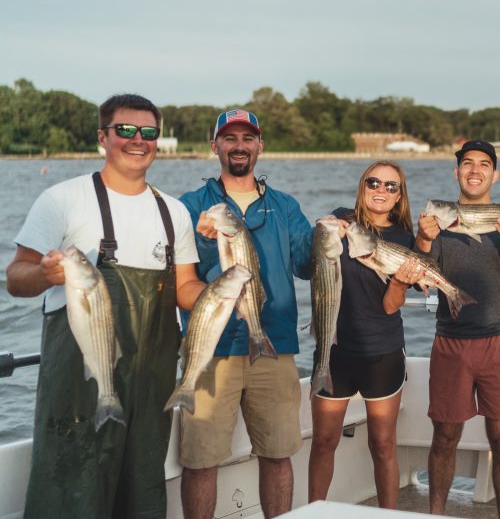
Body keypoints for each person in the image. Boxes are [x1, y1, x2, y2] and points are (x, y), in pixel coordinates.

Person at [6, 93, 204, 518]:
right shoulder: (62, 200)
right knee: (70, 492)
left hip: (151, 388)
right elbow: (15, 278)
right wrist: (45, 274)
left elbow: (184, 288)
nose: (137, 140)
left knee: (142, 493)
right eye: (125, 130)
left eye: (148, 132)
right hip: (77, 389)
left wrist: (220, 296)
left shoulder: (174, 213)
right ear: (103, 136)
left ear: (158, 139)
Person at [177, 109, 313, 519]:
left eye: (248, 138)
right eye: (230, 138)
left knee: (278, 453)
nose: (239, 146)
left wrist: (330, 234)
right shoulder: (191, 205)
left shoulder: (285, 206)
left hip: (273, 345)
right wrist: (203, 244)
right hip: (211, 348)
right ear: (214, 145)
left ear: (260, 146)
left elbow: (306, 264)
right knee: (201, 460)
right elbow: (183, 279)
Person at [415, 140, 500, 519]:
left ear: (495, 174)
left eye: (484, 164)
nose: (475, 170)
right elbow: (419, 277)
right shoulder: (436, 224)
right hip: (450, 342)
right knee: (444, 437)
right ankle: (435, 514)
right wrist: (424, 239)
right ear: (456, 172)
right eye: (467, 164)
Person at [308, 161, 425, 508]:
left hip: (382, 353)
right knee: (324, 442)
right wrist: (325, 228)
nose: (381, 190)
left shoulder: (404, 238)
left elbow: (391, 306)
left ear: (400, 196)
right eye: (374, 182)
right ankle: (315, 513)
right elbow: (315, 254)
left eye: (391, 186)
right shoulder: (342, 217)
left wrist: (402, 280)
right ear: (362, 185)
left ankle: (389, 515)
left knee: (384, 445)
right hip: (334, 350)